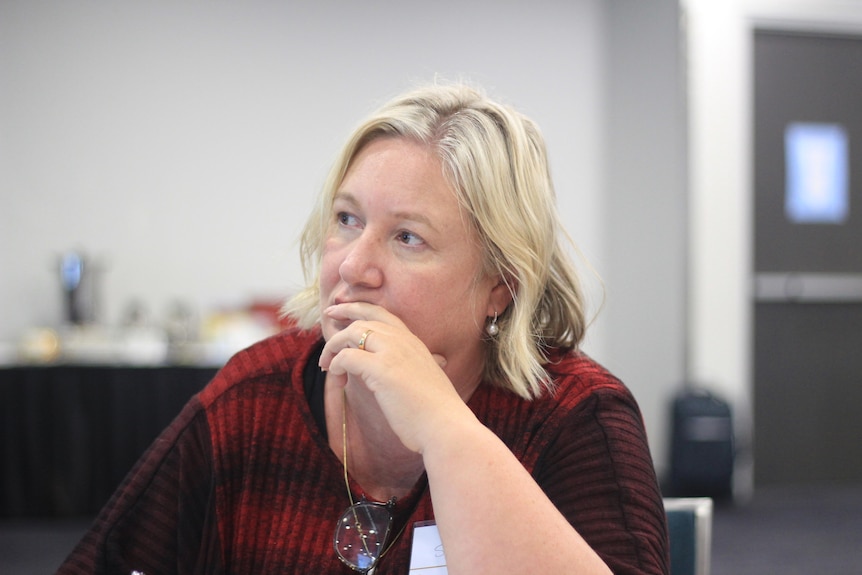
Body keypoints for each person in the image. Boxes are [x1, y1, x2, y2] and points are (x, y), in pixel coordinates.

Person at [58, 82, 669, 574]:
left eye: (407, 237)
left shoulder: (576, 416)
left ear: (499, 285)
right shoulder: (253, 399)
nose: (352, 266)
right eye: (347, 219)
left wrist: (444, 428)